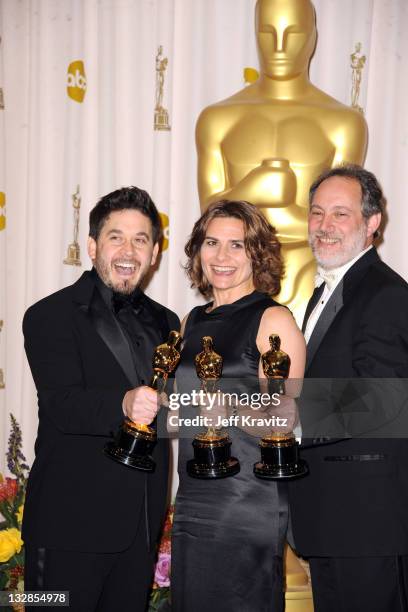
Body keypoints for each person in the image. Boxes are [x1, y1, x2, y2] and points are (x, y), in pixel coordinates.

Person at [22, 187, 179, 612]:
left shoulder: (170, 323)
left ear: (155, 253)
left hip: (140, 531)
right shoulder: (48, 315)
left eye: (141, 239)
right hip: (66, 529)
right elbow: (61, 403)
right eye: (116, 237)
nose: (128, 250)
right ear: (92, 246)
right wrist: (123, 404)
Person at [170, 200, 305, 612]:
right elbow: (187, 409)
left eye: (237, 245)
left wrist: (229, 410)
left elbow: (287, 418)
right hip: (194, 493)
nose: (221, 256)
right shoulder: (190, 321)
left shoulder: (273, 320)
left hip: (247, 499)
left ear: (257, 253)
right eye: (212, 242)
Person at [196, 0, 367, 319]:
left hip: (309, 283)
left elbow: (338, 226)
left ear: (313, 37)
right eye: (267, 32)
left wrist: (273, 205)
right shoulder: (218, 118)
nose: (279, 46)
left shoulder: (343, 124)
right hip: (236, 281)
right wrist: (253, 189)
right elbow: (209, 217)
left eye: (293, 33)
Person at [289, 165, 408, 612]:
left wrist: (295, 422)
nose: (324, 226)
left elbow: (381, 397)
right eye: (317, 213)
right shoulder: (331, 290)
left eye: (340, 214)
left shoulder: (386, 295)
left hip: (366, 519)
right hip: (334, 514)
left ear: (372, 223)